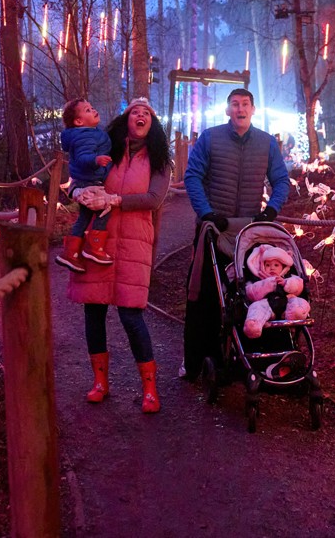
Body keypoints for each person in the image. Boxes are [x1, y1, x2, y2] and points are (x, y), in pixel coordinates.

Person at [66, 97, 172, 413]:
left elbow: (153, 199)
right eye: (133, 112)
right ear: (124, 120)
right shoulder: (105, 148)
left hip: (135, 242)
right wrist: (76, 192)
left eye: (146, 114)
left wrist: (115, 200)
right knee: (94, 311)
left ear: (153, 125)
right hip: (98, 240)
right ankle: (100, 382)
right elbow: (78, 177)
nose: (140, 116)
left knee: (131, 315)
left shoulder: (160, 161)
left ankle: (150, 388)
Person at [182, 88, 290, 376]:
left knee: (254, 292)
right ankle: (197, 361)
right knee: (204, 294)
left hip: (250, 233)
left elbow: (281, 180)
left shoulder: (266, 143)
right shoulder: (211, 138)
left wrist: (271, 211)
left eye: (245, 104)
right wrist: (206, 212)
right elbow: (192, 175)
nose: (240, 109)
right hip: (214, 226)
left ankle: (256, 356)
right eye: (234, 104)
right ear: (227, 110)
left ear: (253, 109)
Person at [57, 98, 113, 272]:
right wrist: (96, 160)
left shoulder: (88, 132)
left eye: (92, 107)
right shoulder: (85, 135)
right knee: (104, 210)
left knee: (84, 216)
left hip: (85, 180)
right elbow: (82, 157)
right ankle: (95, 247)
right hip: (89, 182)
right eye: (88, 110)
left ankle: (71, 253)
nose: (93, 110)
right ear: (79, 121)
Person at [242, 243, 309, 339]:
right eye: (267, 265)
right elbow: (251, 293)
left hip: (287, 302)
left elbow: (298, 286)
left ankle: (295, 314)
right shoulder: (257, 279)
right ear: (262, 266)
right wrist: (267, 284)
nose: (272, 268)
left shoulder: (289, 277)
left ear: (283, 266)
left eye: (276, 265)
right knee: (256, 307)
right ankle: (253, 325)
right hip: (266, 304)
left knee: (299, 302)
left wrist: (286, 283)